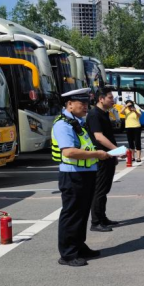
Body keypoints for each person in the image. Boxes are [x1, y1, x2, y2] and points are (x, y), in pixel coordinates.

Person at [51, 88, 110, 267]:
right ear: (69, 104)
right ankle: (68, 254)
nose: (86, 107)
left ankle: (79, 246)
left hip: (85, 173)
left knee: (82, 213)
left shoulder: (78, 122)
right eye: (81, 103)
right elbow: (69, 152)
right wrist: (97, 154)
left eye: (87, 103)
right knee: (72, 214)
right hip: (73, 175)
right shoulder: (63, 124)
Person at [86, 86, 120, 233]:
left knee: (105, 189)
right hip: (100, 157)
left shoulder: (104, 113)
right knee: (99, 190)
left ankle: (103, 217)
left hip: (108, 156)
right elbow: (99, 137)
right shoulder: (94, 114)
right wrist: (116, 150)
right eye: (110, 98)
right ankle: (96, 222)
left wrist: (113, 155)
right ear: (101, 99)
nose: (113, 100)